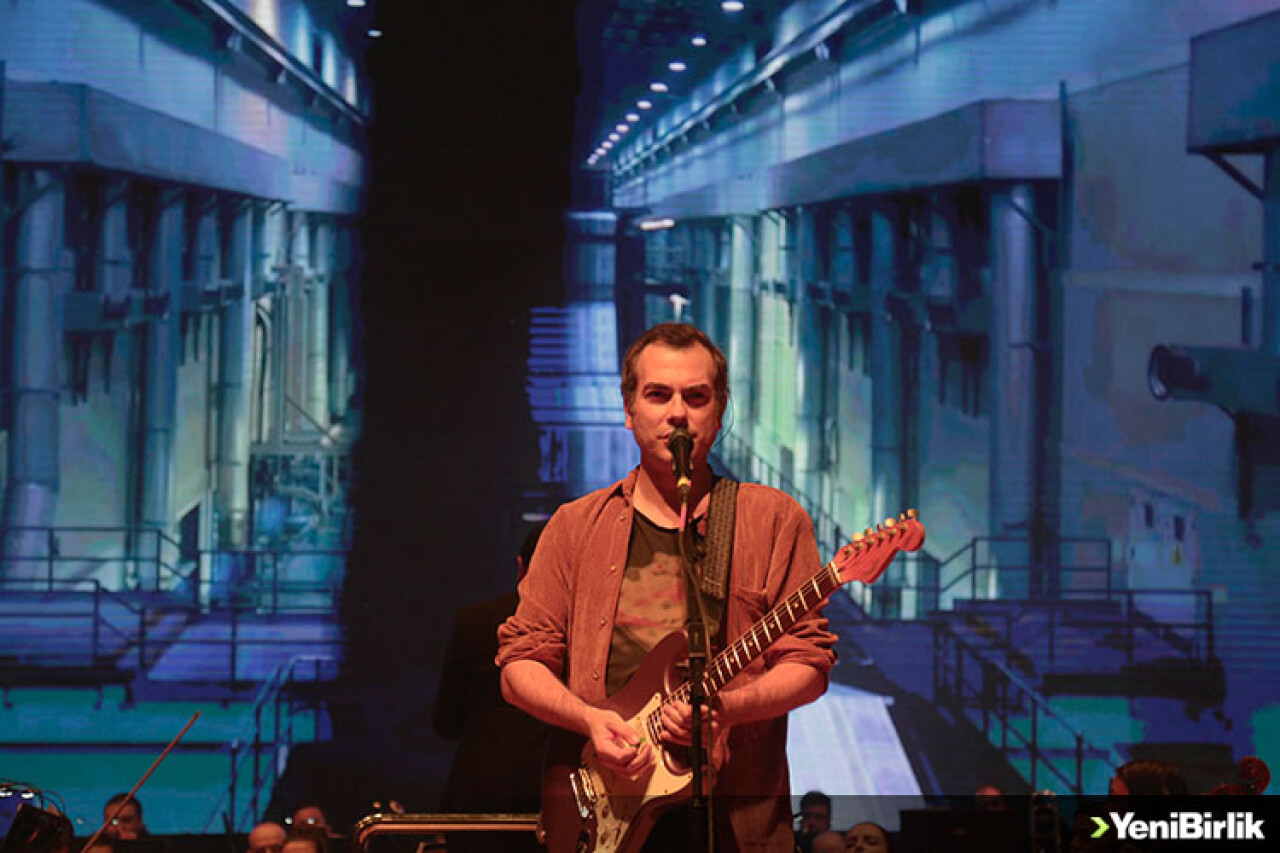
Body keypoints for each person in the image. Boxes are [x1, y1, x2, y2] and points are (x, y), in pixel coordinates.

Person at [497, 323, 836, 852]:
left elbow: (809, 666)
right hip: (603, 803)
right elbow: (519, 667)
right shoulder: (574, 526)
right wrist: (590, 720)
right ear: (629, 411)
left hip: (735, 819)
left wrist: (728, 708)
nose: (678, 413)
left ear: (719, 412)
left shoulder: (773, 520)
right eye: (658, 395)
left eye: (696, 397)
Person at [433, 524, 550, 852]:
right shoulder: (580, 629)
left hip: (476, 791)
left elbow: (445, 721)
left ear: (520, 565)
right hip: (550, 793)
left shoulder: (473, 620)